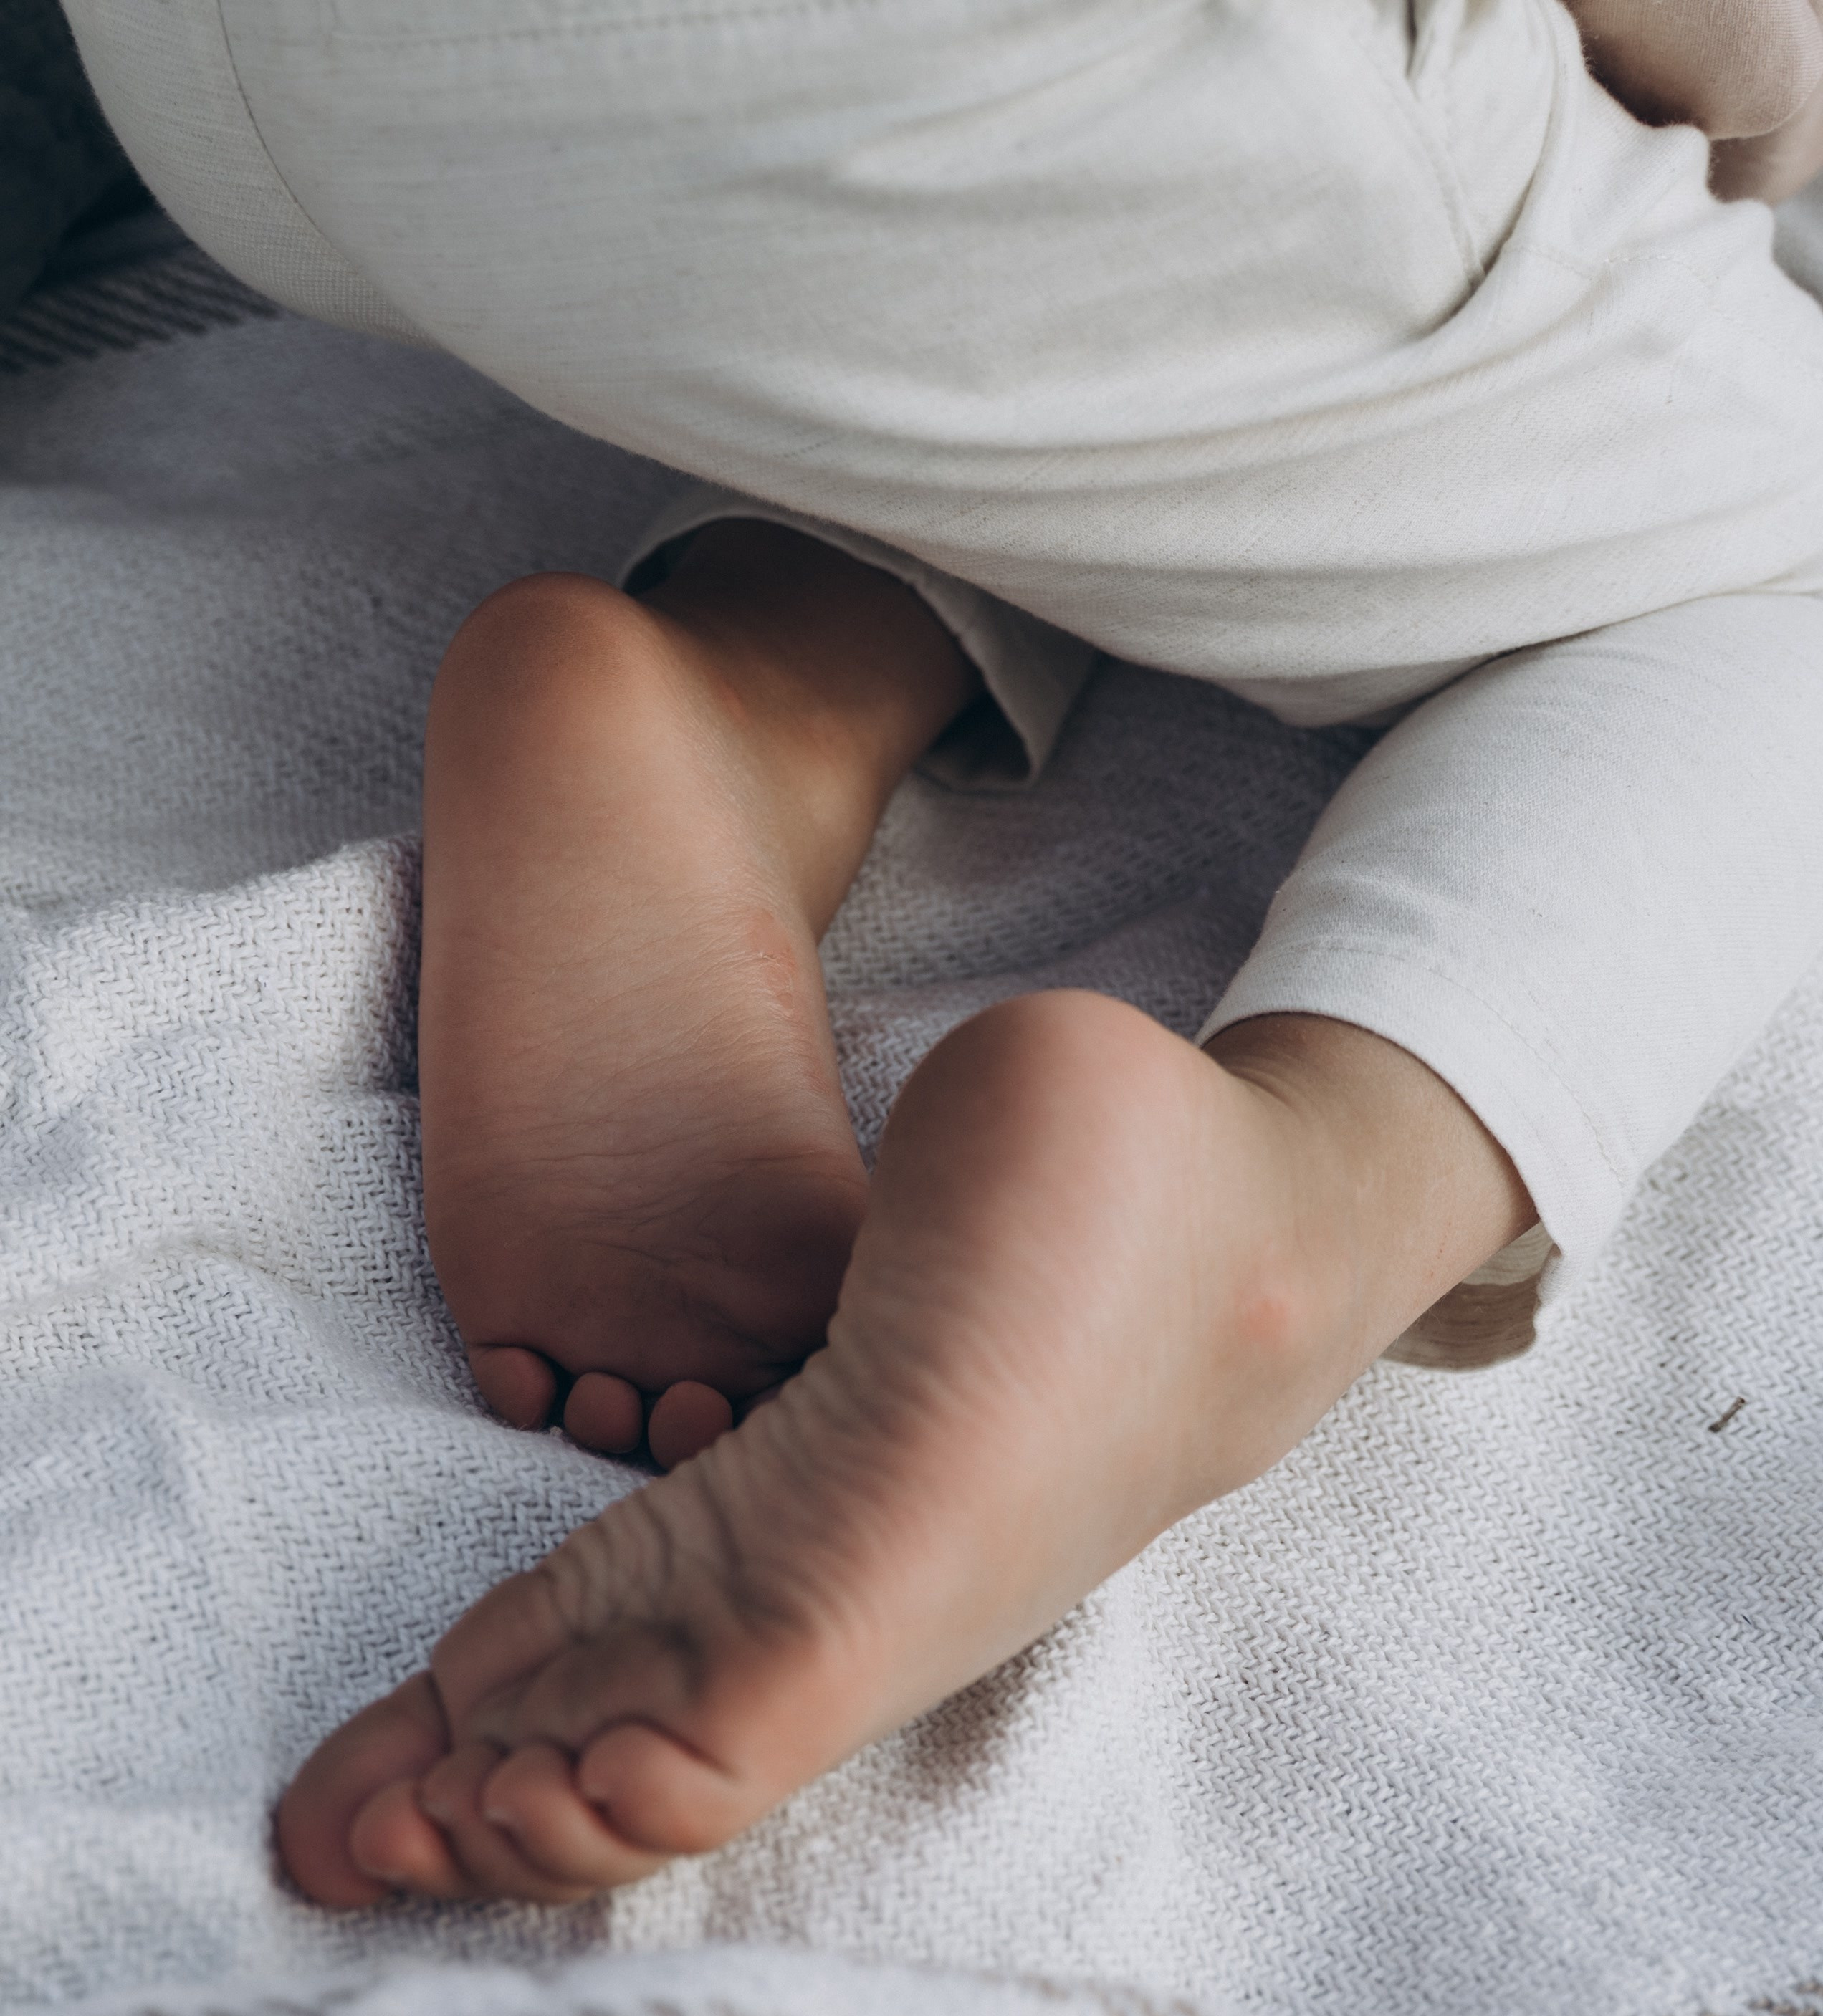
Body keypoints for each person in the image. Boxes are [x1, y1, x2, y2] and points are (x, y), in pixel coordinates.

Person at [60, 0, 1823, 1903]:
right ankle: (1288, 1202)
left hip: (257, 92)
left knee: (1127, 308)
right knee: (1744, 520)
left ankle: (753, 699)